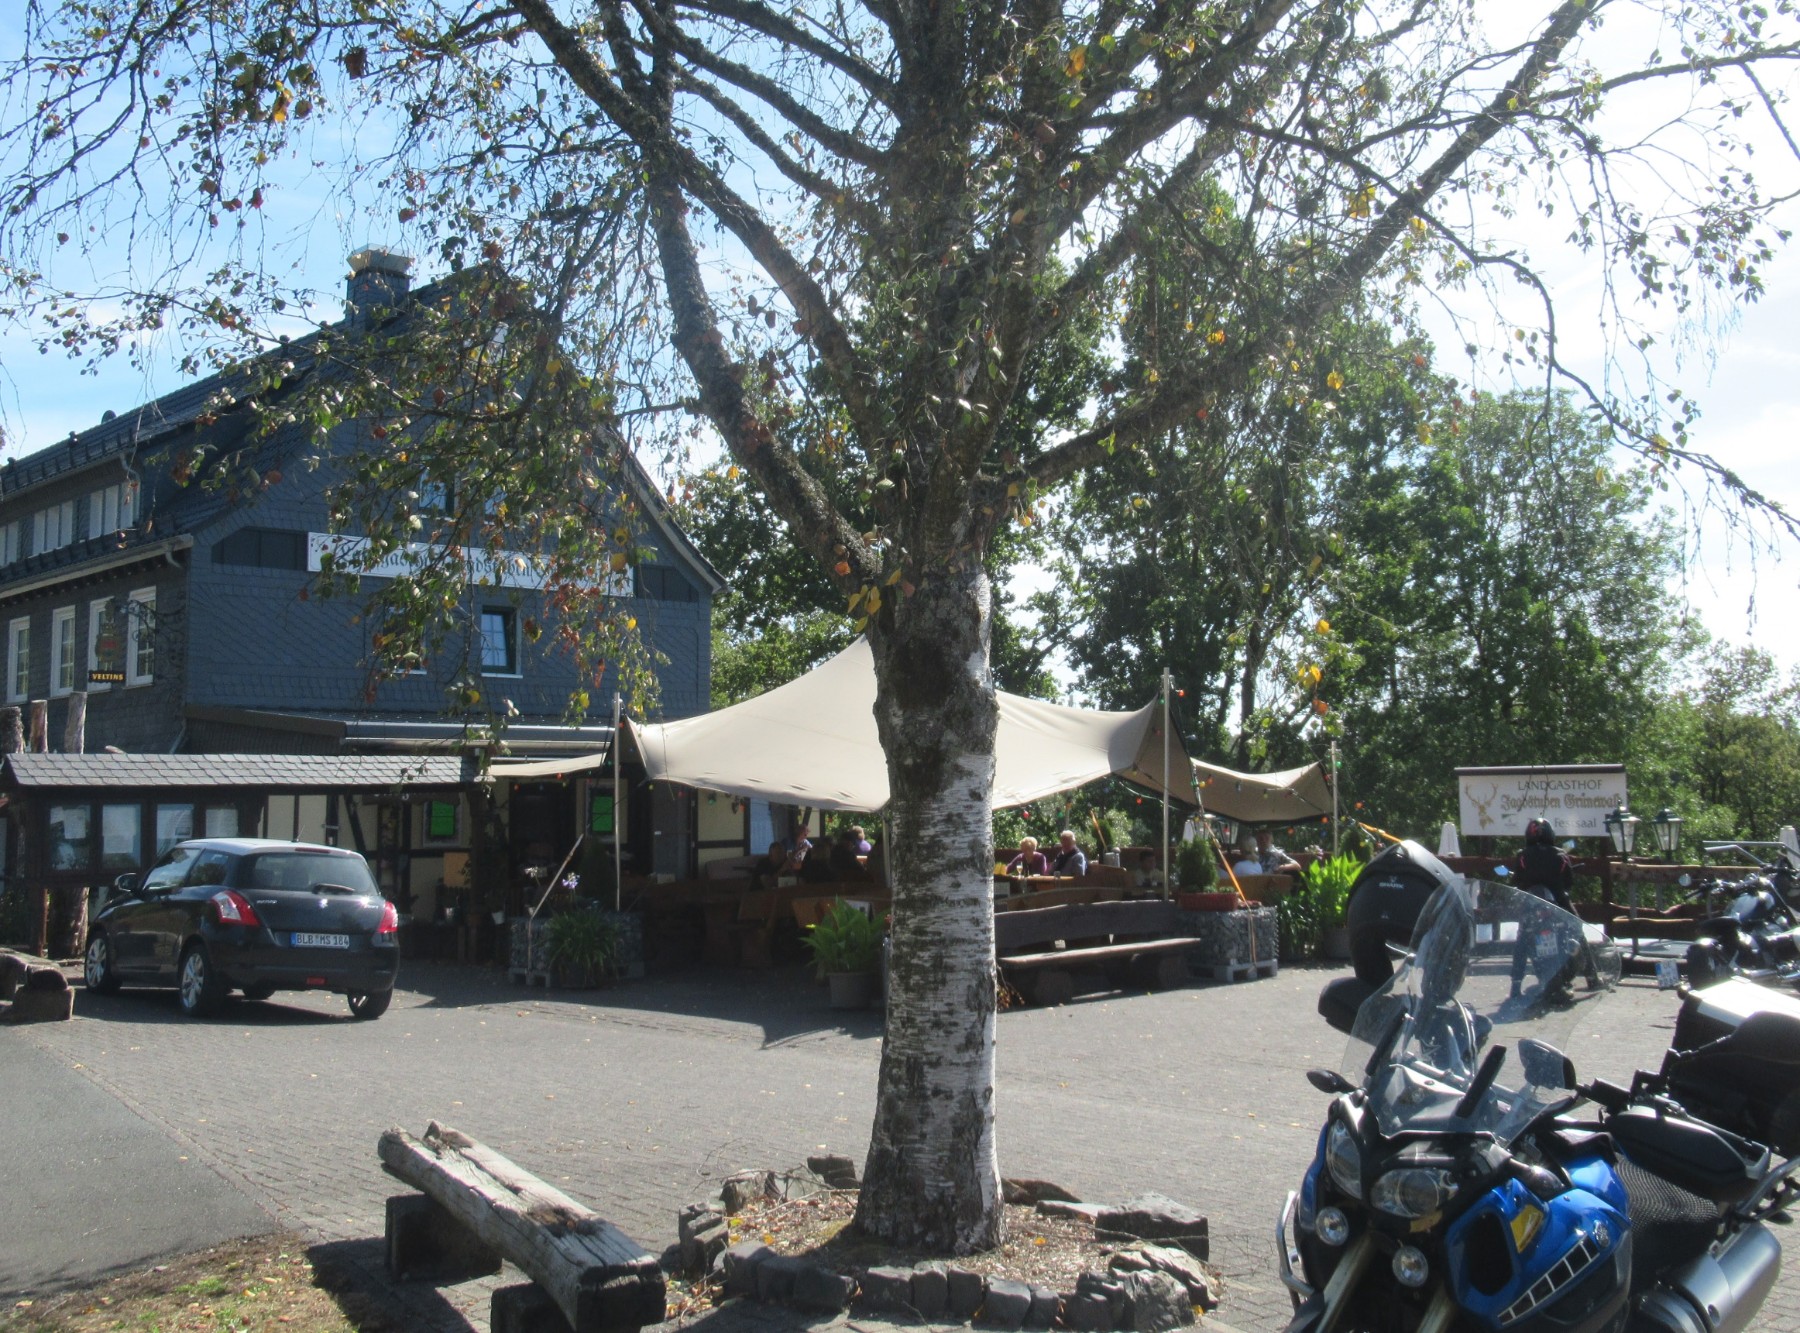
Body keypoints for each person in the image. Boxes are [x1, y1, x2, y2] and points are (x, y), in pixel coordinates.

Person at [1506, 818, 1596, 999]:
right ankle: (1591, 977)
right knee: (1577, 929)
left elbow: (1517, 880)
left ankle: (1515, 987)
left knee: (1522, 939)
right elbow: (1569, 882)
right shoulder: (1560, 855)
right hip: (1559, 905)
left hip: (1531, 906)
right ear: (1550, 834)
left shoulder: (1523, 856)